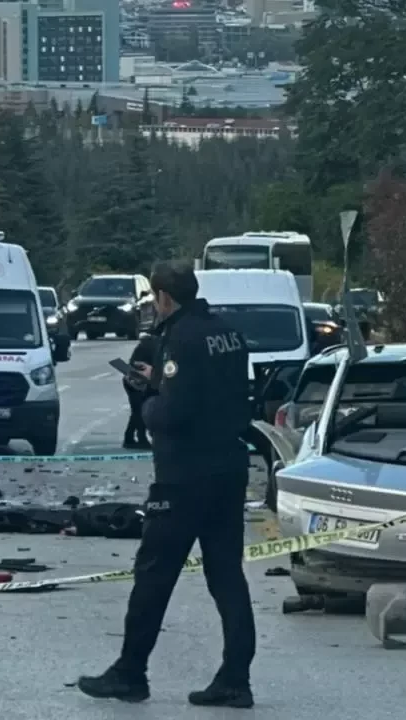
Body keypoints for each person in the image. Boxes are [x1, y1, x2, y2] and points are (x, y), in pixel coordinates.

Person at [77, 260, 256, 709]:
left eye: (154, 299)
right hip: (229, 468)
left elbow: (173, 414)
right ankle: (236, 679)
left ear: (163, 298)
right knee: (227, 576)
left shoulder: (179, 337)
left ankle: (129, 673)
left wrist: (147, 397)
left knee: (153, 574)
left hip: (183, 476)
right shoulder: (228, 332)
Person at [122, 334, 158, 449]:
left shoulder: (147, 343)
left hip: (134, 381)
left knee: (137, 410)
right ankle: (140, 438)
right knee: (140, 410)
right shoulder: (154, 345)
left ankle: (130, 438)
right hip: (139, 382)